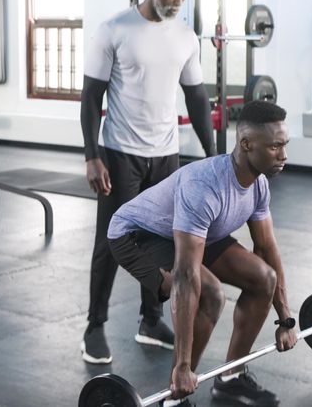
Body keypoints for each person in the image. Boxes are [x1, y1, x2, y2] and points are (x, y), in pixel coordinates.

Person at [108, 100, 295, 407]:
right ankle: (175, 394)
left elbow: (266, 248)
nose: (284, 155)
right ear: (246, 144)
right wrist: (182, 365)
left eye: (285, 145)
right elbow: (185, 275)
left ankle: (231, 379)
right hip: (138, 235)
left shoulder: (259, 185)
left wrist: (285, 319)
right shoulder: (204, 187)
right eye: (275, 147)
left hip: (196, 233)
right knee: (209, 293)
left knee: (264, 278)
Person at [81, 0, 217, 364]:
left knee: (163, 240)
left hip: (166, 156)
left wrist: (213, 158)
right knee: (112, 238)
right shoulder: (115, 30)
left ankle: (151, 319)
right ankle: (94, 326)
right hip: (121, 154)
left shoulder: (185, 37)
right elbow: (91, 97)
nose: (177, 0)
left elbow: (196, 96)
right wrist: (93, 156)